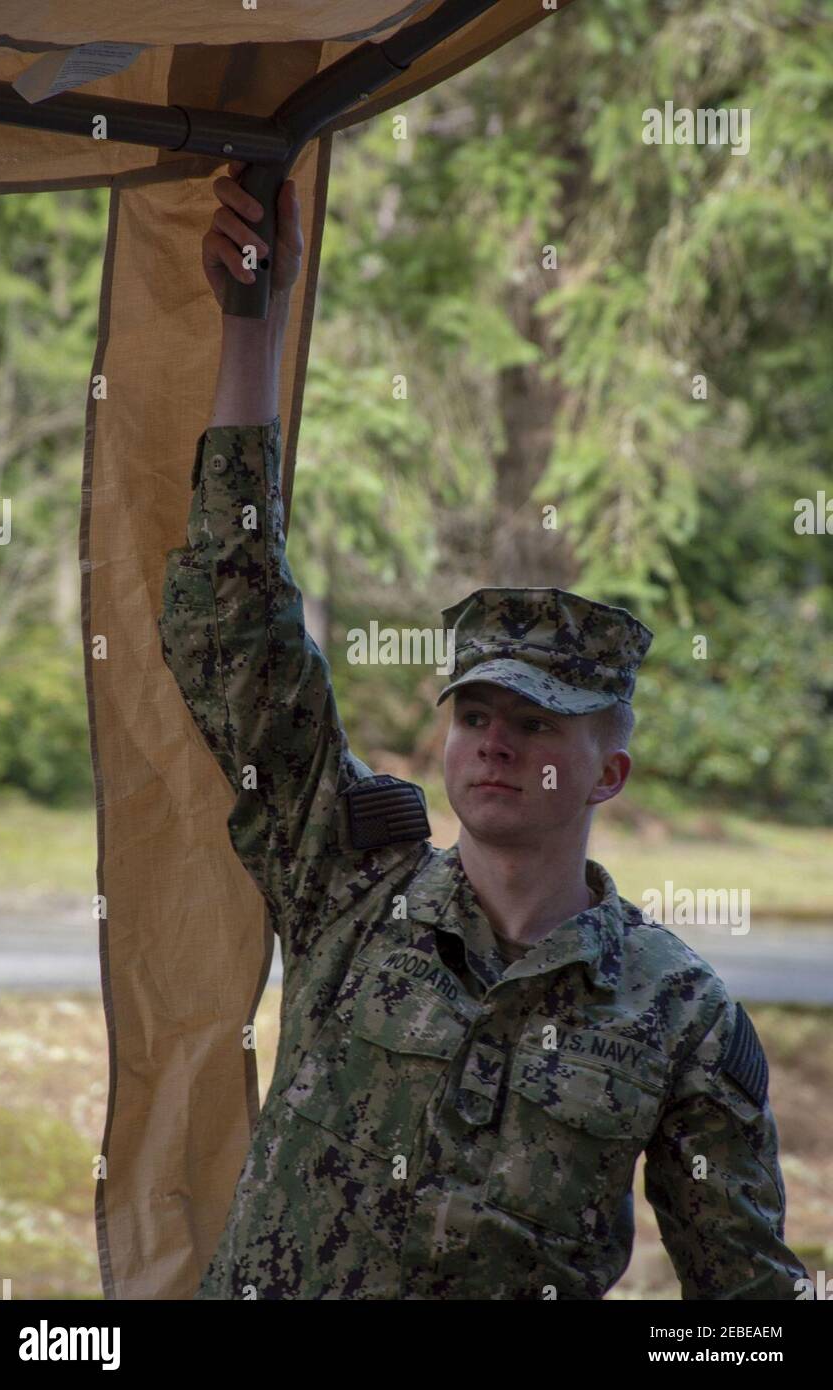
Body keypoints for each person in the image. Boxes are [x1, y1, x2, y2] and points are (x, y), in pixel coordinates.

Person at [156, 163, 812, 1300]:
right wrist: (251, 326)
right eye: (475, 711)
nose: (498, 740)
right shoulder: (349, 885)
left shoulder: (680, 1013)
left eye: (538, 719)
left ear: (610, 767)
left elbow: (743, 1300)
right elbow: (235, 629)